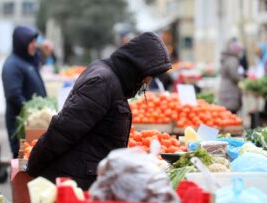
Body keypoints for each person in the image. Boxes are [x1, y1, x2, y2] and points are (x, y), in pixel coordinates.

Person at [27, 32, 172, 190]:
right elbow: (63, 130)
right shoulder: (103, 82)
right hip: (77, 181)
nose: (148, 80)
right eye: (148, 75)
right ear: (138, 66)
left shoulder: (112, 79)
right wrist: (34, 167)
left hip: (86, 175)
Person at [2, 26, 47, 158]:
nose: (34, 45)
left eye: (34, 42)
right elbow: (13, 95)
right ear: (21, 43)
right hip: (21, 125)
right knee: (22, 159)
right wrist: (32, 114)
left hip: (33, 124)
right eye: (31, 42)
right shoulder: (12, 65)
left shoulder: (27, 60)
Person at [218, 40, 244, 114]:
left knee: (226, 116)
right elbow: (235, 75)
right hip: (230, 91)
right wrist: (242, 79)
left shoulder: (226, 58)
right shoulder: (233, 60)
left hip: (225, 89)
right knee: (231, 115)